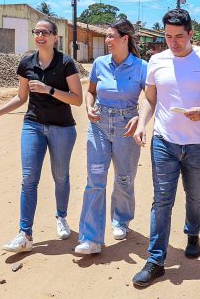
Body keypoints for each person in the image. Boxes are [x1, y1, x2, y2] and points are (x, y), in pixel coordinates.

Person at [131, 8, 200, 287]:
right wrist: (142, 124)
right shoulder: (156, 60)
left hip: (199, 143)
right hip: (165, 142)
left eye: (178, 36)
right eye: (168, 36)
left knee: (195, 194)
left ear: (190, 34)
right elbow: (150, 99)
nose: (173, 42)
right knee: (162, 200)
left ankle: (193, 232)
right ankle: (156, 260)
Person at [0, 19, 83, 253]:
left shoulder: (66, 63)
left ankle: (61, 217)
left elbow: (77, 99)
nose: (40, 36)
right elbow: (21, 98)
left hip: (62, 128)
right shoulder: (27, 63)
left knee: (60, 176)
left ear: (55, 37)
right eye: (37, 32)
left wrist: (49, 90)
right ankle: (25, 234)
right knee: (28, 179)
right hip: (33, 125)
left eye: (45, 32)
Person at [74, 19, 148, 255]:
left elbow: (150, 98)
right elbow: (91, 92)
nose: (107, 40)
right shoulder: (99, 63)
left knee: (124, 178)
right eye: (106, 36)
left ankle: (121, 220)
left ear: (125, 39)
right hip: (99, 124)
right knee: (95, 179)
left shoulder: (141, 67)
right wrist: (89, 107)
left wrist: (140, 120)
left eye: (110, 36)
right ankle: (91, 238)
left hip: (127, 125)